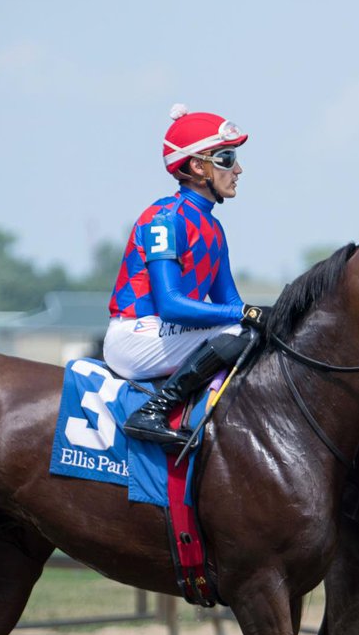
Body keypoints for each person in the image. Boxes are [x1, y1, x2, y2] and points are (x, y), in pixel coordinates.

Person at [105, 104, 265, 448]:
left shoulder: (214, 228)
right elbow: (172, 305)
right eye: (225, 159)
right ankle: (152, 412)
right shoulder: (165, 218)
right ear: (196, 166)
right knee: (240, 330)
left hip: (167, 334)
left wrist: (263, 318)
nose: (238, 169)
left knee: (252, 333)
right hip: (134, 336)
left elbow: (231, 303)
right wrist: (243, 315)